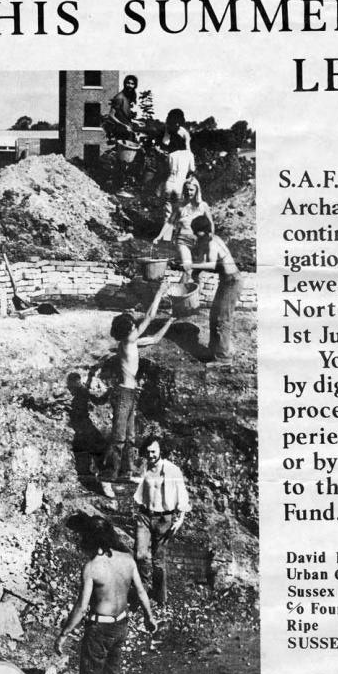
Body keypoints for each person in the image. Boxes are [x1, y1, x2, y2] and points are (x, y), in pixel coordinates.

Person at [54, 515, 157, 674]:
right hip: (121, 624)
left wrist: (63, 634)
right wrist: (150, 617)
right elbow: (141, 592)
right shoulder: (127, 559)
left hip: (99, 628)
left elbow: (81, 608)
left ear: (89, 539)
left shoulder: (92, 568)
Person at [101, 280, 174, 485]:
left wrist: (170, 321)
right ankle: (109, 474)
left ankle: (127, 470)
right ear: (127, 332)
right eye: (134, 326)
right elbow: (150, 317)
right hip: (123, 393)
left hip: (131, 394)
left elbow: (154, 340)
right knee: (119, 436)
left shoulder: (131, 343)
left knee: (130, 436)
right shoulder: (127, 343)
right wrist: (160, 291)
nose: (136, 328)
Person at [133, 439, 190, 606]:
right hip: (144, 516)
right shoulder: (144, 468)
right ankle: (141, 592)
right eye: (148, 451)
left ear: (160, 451)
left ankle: (160, 597)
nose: (151, 455)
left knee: (158, 561)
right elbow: (138, 490)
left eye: (154, 451)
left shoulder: (172, 470)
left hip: (164, 519)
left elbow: (182, 495)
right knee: (141, 555)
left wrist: (180, 519)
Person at [189, 215, 243, 362]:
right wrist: (195, 274)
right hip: (226, 281)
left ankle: (224, 358)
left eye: (197, 232)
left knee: (222, 319)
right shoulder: (208, 239)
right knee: (214, 316)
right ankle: (215, 351)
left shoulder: (213, 242)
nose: (195, 235)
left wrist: (191, 266)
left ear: (205, 231)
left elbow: (212, 265)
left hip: (232, 282)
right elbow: (203, 261)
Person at [154, 176, 214, 278]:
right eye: (186, 190)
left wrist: (211, 236)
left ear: (196, 190)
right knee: (187, 267)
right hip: (182, 240)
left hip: (199, 241)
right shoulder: (179, 206)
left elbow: (210, 223)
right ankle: (181, 292)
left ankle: (191, 292)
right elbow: (169, 223)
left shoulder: (203, 206)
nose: (189, 192)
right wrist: (159, 237)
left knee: (197, 273)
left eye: (191, 190)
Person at [155, 108, 195, 228]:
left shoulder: (171, 155)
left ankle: (166, 235)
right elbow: (191, 170)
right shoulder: (188, 154)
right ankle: (176, 235)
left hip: (169, 184)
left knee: (168, 210)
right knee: (178, 211)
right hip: (180, 184)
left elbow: (165, 167)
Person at [106, 74, 138, 143]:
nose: (130, 85)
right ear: (125, 83)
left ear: (135, 85)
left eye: (132, 84)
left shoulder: (128, 97)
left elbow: (123, 115)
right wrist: (123, 126)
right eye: (128, 83)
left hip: (128, 130)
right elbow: (111, 115)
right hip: (121, 131)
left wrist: (136, 121)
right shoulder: (120, 97)